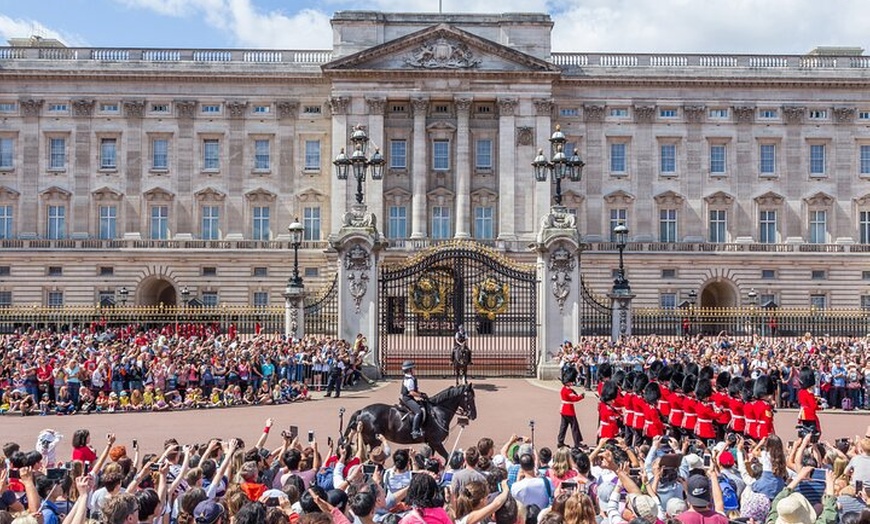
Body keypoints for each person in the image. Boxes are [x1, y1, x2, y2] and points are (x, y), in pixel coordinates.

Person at [557, 366, 584, 448]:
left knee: (563, 427)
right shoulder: (567, 390)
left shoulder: (565, 389)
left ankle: (560, 441)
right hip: (568, 410)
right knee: (574, 427)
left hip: (564, 410)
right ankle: (577, 442)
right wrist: (581, 397)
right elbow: (574, 398)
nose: (572, 383)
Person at [400, 361, 426, 439]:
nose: (414, 370)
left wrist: (422, 394)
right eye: (413, 368)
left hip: (410, 398)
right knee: (418, 411)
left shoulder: (412, 378)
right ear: (409, 370)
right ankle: (415, 431)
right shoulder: (409, 379)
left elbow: (415, 391)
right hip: (407, 399)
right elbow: (411, 392)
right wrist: (420, 395)